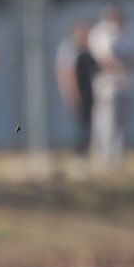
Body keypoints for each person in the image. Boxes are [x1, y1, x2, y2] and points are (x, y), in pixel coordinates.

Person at [87, 7, 134, 173]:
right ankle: (105, 158)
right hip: (107, 88)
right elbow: (103, 59)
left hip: (126, 86)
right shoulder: (101, 34)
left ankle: (118, 157)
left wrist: (123, 64)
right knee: (106, 123)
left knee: (123, 125)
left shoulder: (129, 34)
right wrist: (120, 64)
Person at [56, 18, 96, 162]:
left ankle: (85, 151)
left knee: (87, 122)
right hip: (79, 91)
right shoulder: (70, 47)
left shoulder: (86, 47)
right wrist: (72, 93)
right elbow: (67, 72)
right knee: (81, 123)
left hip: (87, 90)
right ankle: (79, 153)